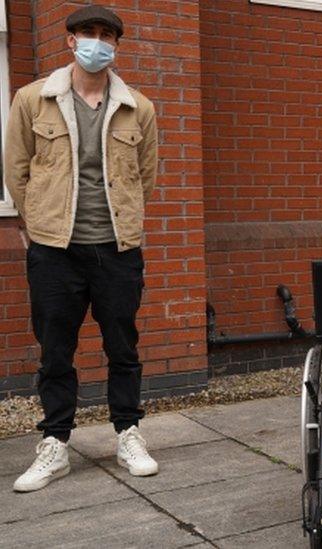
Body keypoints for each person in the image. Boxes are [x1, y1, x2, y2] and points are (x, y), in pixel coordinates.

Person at [5, 5, 159, 493]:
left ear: (116, 45)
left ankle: (127, 433)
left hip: (117, 248)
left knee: (123, 347)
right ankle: (55, 444)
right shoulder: (33, 99)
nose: (98, 42)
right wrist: (40, 224)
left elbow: (145, 178)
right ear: (70, 41)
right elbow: (17, 170)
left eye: (106, 35)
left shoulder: (140, 107)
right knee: (55, 351)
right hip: (55, 251)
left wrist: (125, 223)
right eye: (88, 33)